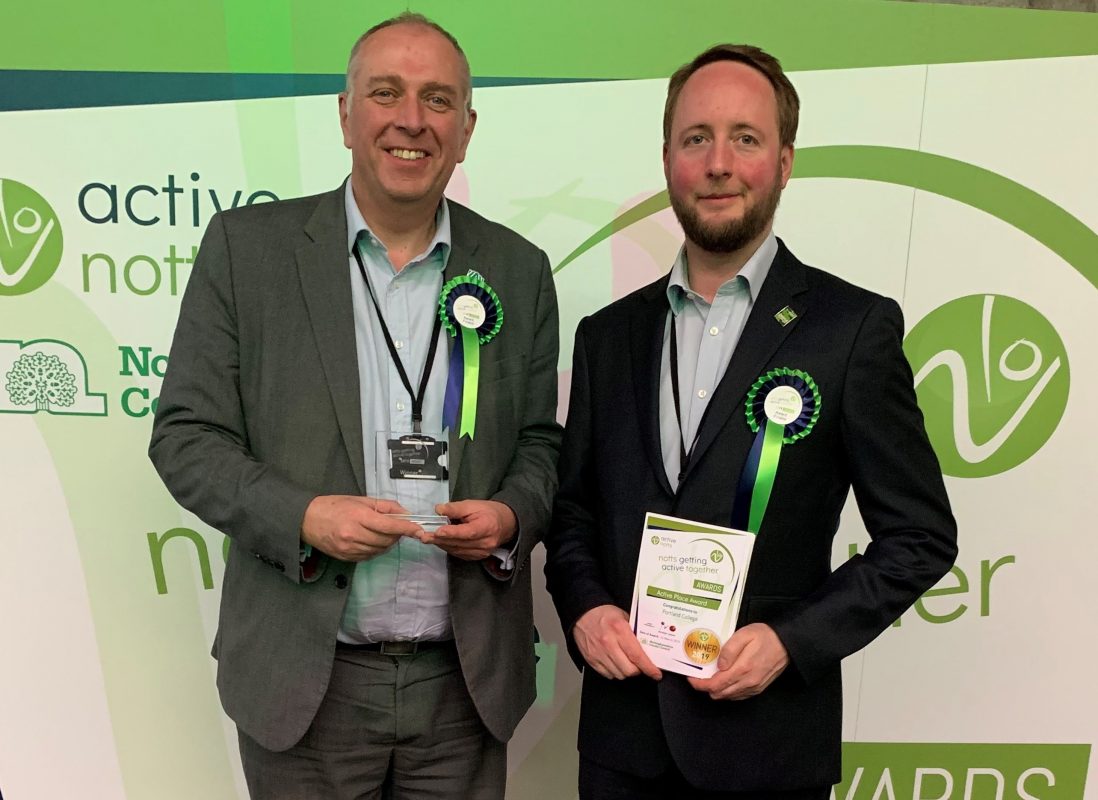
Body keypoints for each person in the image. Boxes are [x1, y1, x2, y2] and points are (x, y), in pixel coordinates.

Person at [149, 12, 561, 800]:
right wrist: (303, 516)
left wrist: (511, 515)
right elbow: (186, 438)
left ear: (467, 129)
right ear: (346, 114)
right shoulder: (246, 251)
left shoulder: (518, 268)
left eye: (439, 100)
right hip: (307, 684)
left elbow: (541, 443)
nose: (412, 120)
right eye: (387, 93)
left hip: (463, 687)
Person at [545, 44, 957, 800]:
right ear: (667, 157)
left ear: (786, 159)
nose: (719, 163)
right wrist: (586, 608)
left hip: (768, 748)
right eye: (696, 138)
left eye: (746, 138)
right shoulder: (606, 336)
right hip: (622, 746)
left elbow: (920, 537)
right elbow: (571, 511)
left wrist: (789, 643)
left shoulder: (850, 329)